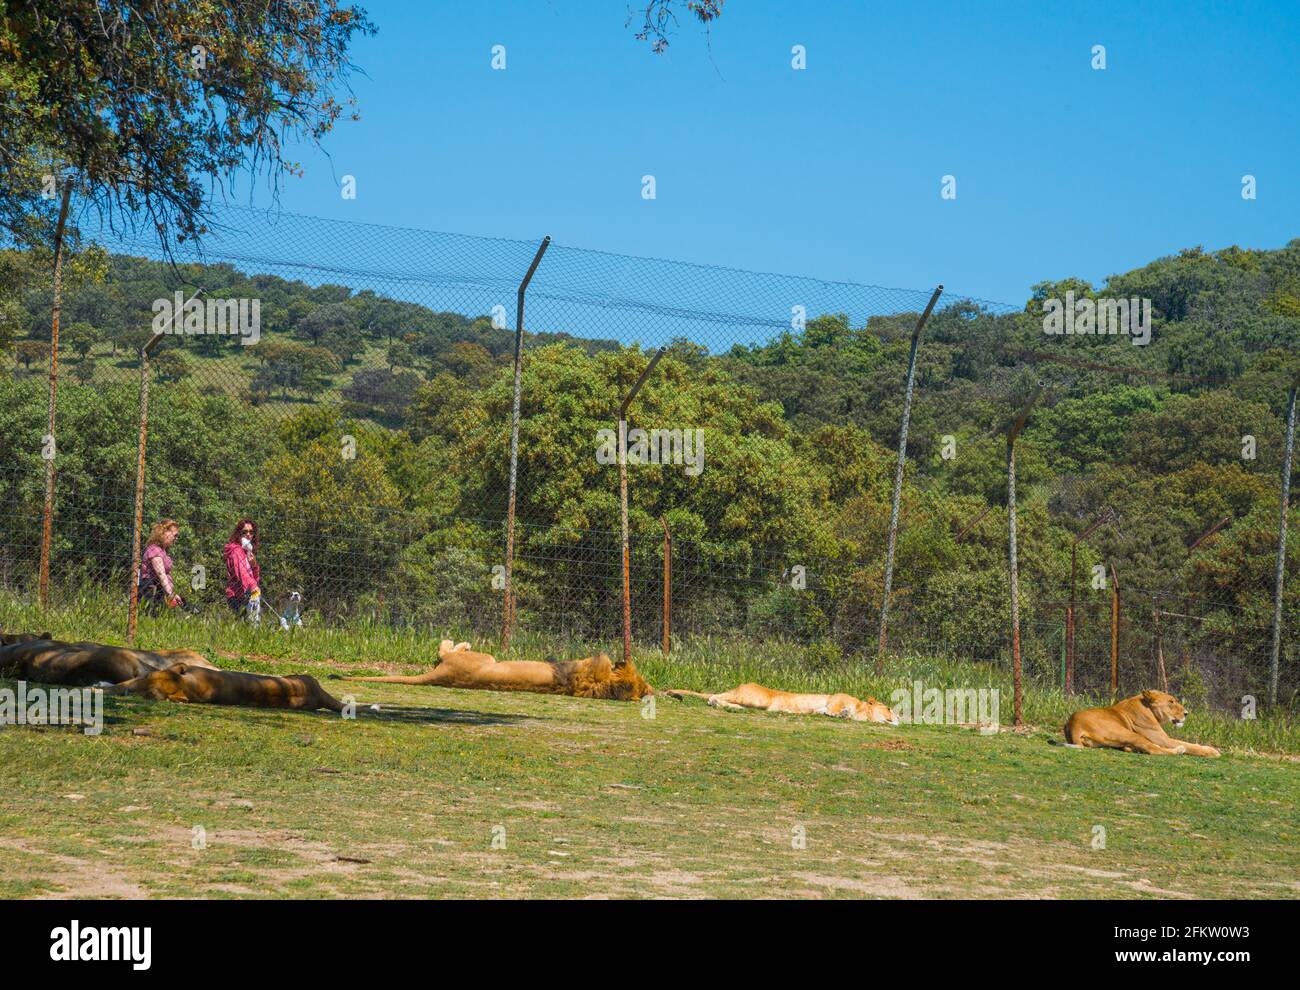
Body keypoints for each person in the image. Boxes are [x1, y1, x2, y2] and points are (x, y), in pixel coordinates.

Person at [138, 519, 185, 610]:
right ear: (165, 532)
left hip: (159, 591)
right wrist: (170, 594)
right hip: (151, 592)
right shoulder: (154, 550)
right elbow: (161, 574)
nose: (176, 538)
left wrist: (172, 594)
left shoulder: (162, 550)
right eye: (175, 535)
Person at [224, 518, 263, 622]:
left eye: (251, 532)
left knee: (252, 625)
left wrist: (254, 565)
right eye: (244, 532)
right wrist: (253, 586)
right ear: (238, 533)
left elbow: (255, 577)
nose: (248, 535)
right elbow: (241, 573)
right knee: (243, 626)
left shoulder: (247, 551)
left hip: (248, 594)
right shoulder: (236, 550)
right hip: (237, 596)